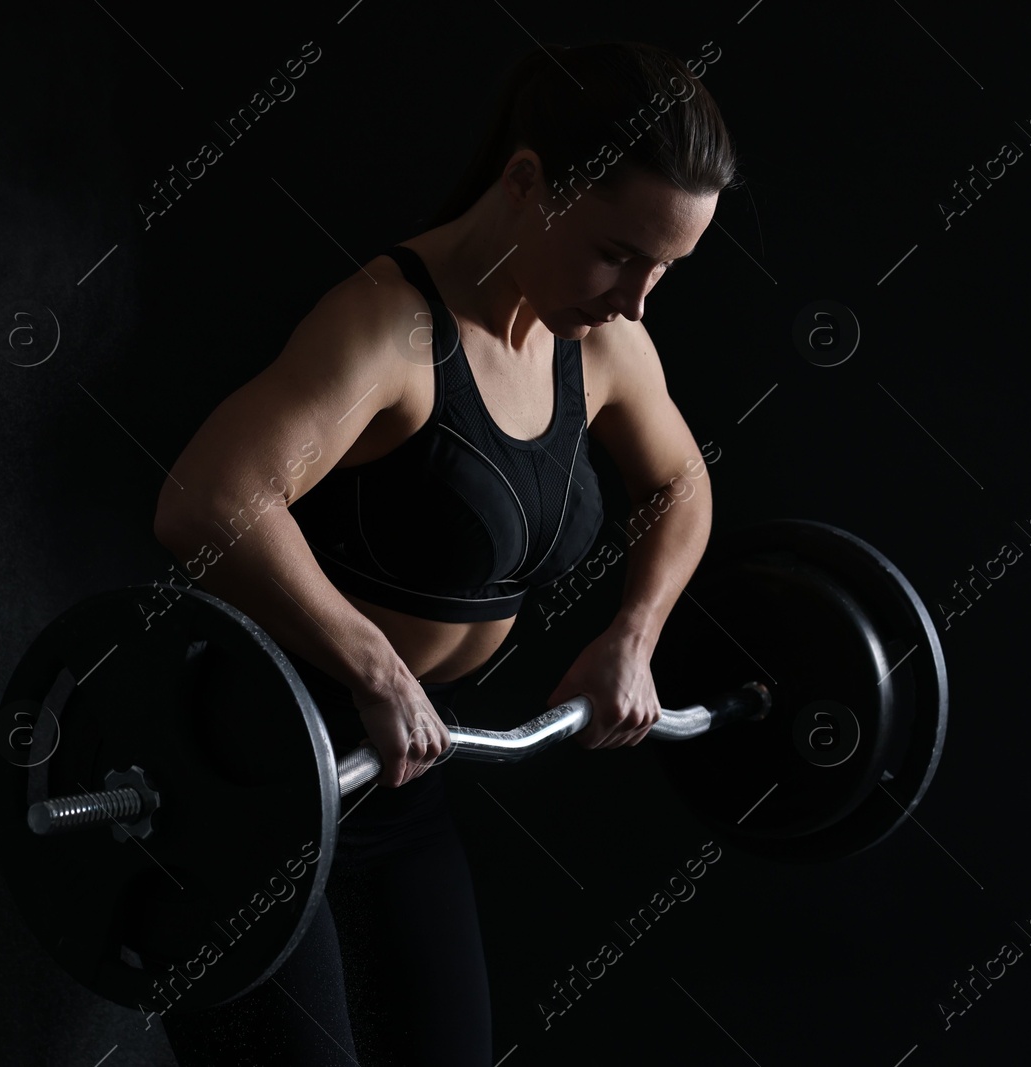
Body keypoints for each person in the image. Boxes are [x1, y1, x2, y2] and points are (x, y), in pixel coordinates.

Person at [150, 38, 739, 1066]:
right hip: (251, 769)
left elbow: (682, 484)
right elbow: (207, 498)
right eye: (616, 253)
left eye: (664, 269)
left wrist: (632, 637)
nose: (638, 299)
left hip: (403, 769)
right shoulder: (389, 330)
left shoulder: (598, 343)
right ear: (527, 182)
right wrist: (370, 662)